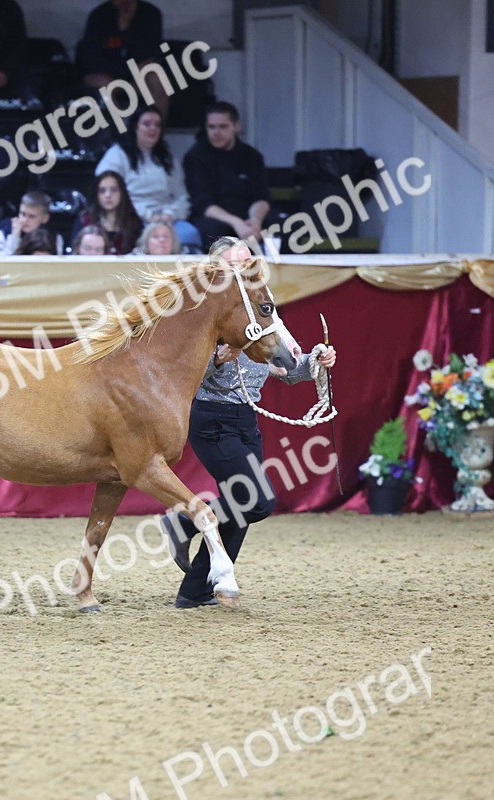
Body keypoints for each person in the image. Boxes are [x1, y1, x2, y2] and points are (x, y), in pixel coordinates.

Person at [162, 238, 337, 608]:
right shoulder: (203, 311)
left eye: (247, 257)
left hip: (244, 418)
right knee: (255, 501)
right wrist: (221, 359)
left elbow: (287, 368)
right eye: (237, 260)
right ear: (218, 269)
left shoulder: (259, 307)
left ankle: (194, 591)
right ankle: (187, 522)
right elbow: (187, 369)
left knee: (242, 505)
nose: (247, 263)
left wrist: (316, 361)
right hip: (211, 418)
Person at [94, 106, 200, 252]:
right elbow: (107, 191)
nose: (153, 129)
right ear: (135, 127)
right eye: (147, 124)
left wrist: (170, 214)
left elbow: (181, 195)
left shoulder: (167, 158)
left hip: (167, 219)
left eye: (157, 125)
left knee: (190, 233)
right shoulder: (117, 155)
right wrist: (147, 216)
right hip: (132, 218)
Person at [182, 100, 270, 248]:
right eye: (211, 127)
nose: (216, 132)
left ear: (236, 127)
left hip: (247, 214)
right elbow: (203, 204)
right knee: (214, 230)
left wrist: (255, 220)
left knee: (282, 223)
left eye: (223, 127)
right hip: (215, 216)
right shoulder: (195, 156)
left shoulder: (252, 156)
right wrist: (236, 223)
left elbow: (262, 197)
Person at [76, 0, 169, 120]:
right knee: (101, 82)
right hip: (108, 76)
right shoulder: (99, 16)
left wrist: (126, 31)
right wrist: (127, 69)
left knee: (157, 79)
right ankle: (120, 134)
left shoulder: (150, 14)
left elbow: (149, 54)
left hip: (136, 78)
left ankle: (155, 130)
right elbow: (92, 61)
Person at [69, 170, 142, 255]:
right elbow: (74, 251)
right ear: (96, 194)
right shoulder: (84, 219)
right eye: (102, 191)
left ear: (122, 193)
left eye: (114, 190)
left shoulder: (134, 221)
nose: (108, 195)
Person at [0, 190, 62, 255]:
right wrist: (14, 237)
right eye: (23, 214)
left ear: (45, 218)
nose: (24, 220)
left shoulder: (54, 238)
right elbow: (0, 263)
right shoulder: (3, 233)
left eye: (32, 216)